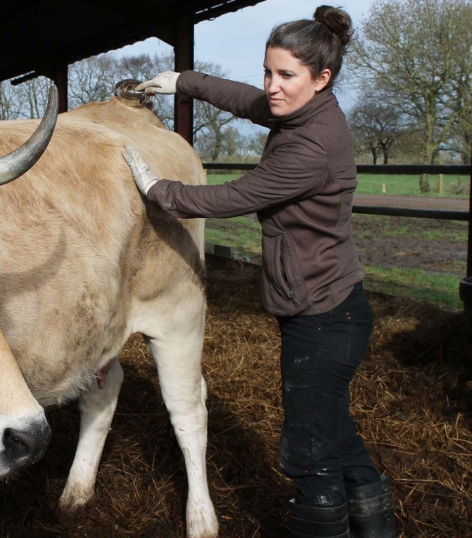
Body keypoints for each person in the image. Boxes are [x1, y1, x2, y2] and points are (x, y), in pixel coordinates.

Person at [122, 6, 395, 538]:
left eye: (286, 75)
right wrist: (183, 82)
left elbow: (236, 195)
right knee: (335, 433)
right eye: (268, 71)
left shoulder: (310, 145)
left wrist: (158, 191)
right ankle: (376, 529)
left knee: (309, 450)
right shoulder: (305, 110)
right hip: (331, 305)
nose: (271, 86)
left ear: (323, 78)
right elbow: (246, 100)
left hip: (321, 315)